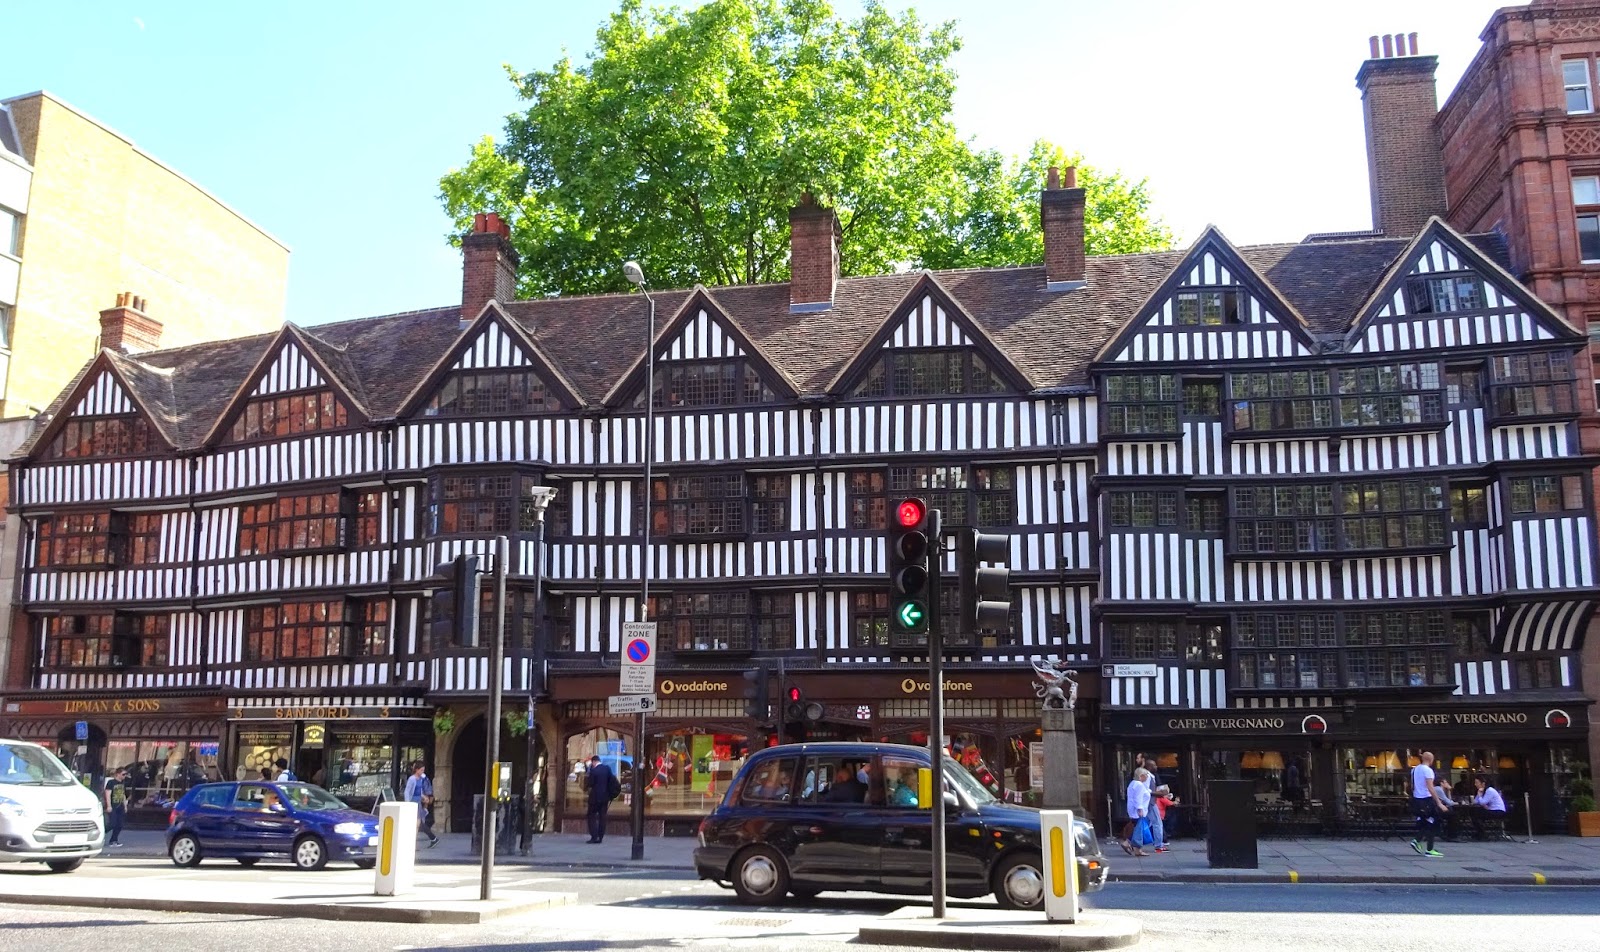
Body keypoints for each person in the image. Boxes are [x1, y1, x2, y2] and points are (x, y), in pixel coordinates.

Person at [1409, 751, 1450, 857]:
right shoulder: (1428, 771)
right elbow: (1430, 787)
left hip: (1417, 799)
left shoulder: (1414, 769)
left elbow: (1413, 786)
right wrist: (1439, 803)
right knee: (1434, 821)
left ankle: (1419, 841)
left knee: (1427, 821)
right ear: (1431, 760)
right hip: (1426, 799)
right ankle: (1427, 848)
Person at [584, 754, 619, 844]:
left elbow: (590, 783)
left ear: (594, 762)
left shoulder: (594, 771)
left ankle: (594, 836)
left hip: (594, 797)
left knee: (591, 815)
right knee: (602, 816)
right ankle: (600, 836)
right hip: (605, 797)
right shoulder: (607, 769)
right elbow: (612, 781)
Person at [1119, 767, 1153, 857]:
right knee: (1139, 830)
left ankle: (1136, 849)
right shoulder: (1139, 785)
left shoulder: (1133, 783)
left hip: (1133, 810)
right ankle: (1129, 844)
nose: (1147, 777)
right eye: (1145, 775)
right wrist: (1140, 809)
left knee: (1137, 829)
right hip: (1138, 811)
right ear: (1141, 776)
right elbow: (1138, 798)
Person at [405, 760, 439, 848]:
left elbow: (419, 791)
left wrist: (423, 797)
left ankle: (415, 843)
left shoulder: (420, 779)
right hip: (413, 803)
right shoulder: (412, 779)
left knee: (417, 824)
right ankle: (430, 839)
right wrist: (407, 803)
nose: (422, 772)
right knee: (417, 824)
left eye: (423, 770)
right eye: (421, 770)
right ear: (417, 770)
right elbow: (407, 792)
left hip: (418, 803)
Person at [1136, 753, 1166, 851]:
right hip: (1149, 803)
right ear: (1149, 766)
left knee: (1144, 824)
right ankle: (1158, 845)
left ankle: (1130, 841)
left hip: (1150, 802)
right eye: (1154, 765)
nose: (1156, 767)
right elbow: (1144, 790)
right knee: (1157, 823)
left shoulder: (1151, 776)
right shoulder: (1147, 776)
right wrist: (1158, 793)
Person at [102, 767, 128, 847]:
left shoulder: (122, 783)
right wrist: (109, 805)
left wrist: (125, 805)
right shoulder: (111, 782)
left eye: (125, 774)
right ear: (117, 774)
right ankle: (101, 834)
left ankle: (114, 840)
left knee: (119, 825)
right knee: (112, 823)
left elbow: (123, 794)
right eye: (123, 774)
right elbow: (108, 794)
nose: (124, 776)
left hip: (120, 805)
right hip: (113, 805)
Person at [1152, 784, 1178, 849]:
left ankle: (1159, 840)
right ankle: (1163, 840)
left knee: (1158, 827)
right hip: (1160, 814)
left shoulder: (1157, 797)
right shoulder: (1161, 798)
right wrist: (1176, 801)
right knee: (1160, 827)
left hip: (1158, 813)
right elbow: (1169, 803)